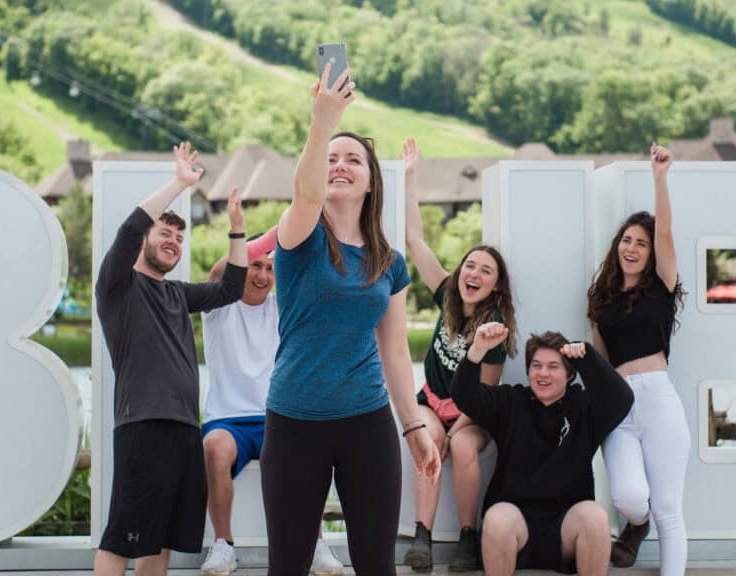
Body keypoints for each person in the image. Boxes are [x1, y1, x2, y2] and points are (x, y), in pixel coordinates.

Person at [260, 64, 440, 575]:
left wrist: (414, 426)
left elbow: (395, 351)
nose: (340, 165)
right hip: (294, 422)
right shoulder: (299, 237)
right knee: (288, 566)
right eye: (332, 159)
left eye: (353, 160)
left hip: (367, 423)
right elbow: (307, 194)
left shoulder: (390, 262)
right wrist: (322, 122)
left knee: (377, 566)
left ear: (371, 181)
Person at [93, 143, 247, 576]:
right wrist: (179, 185)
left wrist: (237, 229)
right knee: (122, 537)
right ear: (144, 239)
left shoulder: (178, 293)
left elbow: (231, 289)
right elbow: (129, 229)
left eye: (180, 238)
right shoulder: (118, 286)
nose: (174, 242)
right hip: (144, 425)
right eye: (164, 233)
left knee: (158, 540)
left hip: (184, 429)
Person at [399, 137, 517, 572]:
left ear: (495, 286)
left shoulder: (494, 329)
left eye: (486, 271)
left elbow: (483, 397)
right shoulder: (447, 293)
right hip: (432, 401)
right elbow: (414, 239)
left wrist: (457, 430)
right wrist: (410, 177)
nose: (474, 274)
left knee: (464, 447)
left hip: (471, 412)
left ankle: (469, 536)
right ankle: (422, 535)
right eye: (470, 265)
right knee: (428, 439)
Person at [199, 229, 343, 576]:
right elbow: (218, 271)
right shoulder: (219, 305)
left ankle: (315, 544)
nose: (262, 276)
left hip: (275, 416)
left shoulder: (283, 308)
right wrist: (280, 231)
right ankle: (223, 545)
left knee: (308, 451)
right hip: (228, 420)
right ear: (242, 265)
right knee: (215, 448)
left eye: (269, 269)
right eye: (255, 266)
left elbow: (317, 282)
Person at [452, 326, 634, 576]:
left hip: (566, 529)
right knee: (497, 518)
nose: (543, 373)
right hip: (515, 526)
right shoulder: (510, 402)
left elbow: (623, 400)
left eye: (553, 366)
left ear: (569, 374)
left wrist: (588, 357)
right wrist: (477, 350)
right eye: (536, 366)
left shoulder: (585, 408)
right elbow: (464, 395)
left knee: (595, 517)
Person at [587, 143, 688, 575]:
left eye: (641, 243)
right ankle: (636, 524)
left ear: (651, 253)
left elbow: (665, 232)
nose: (631, 248)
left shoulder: (662, 286)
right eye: (626, 240)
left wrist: (659, 178)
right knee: (629, 498)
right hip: (619, 403)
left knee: (668, 509)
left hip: (658, 400)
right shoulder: (601, 298)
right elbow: (600, 360)